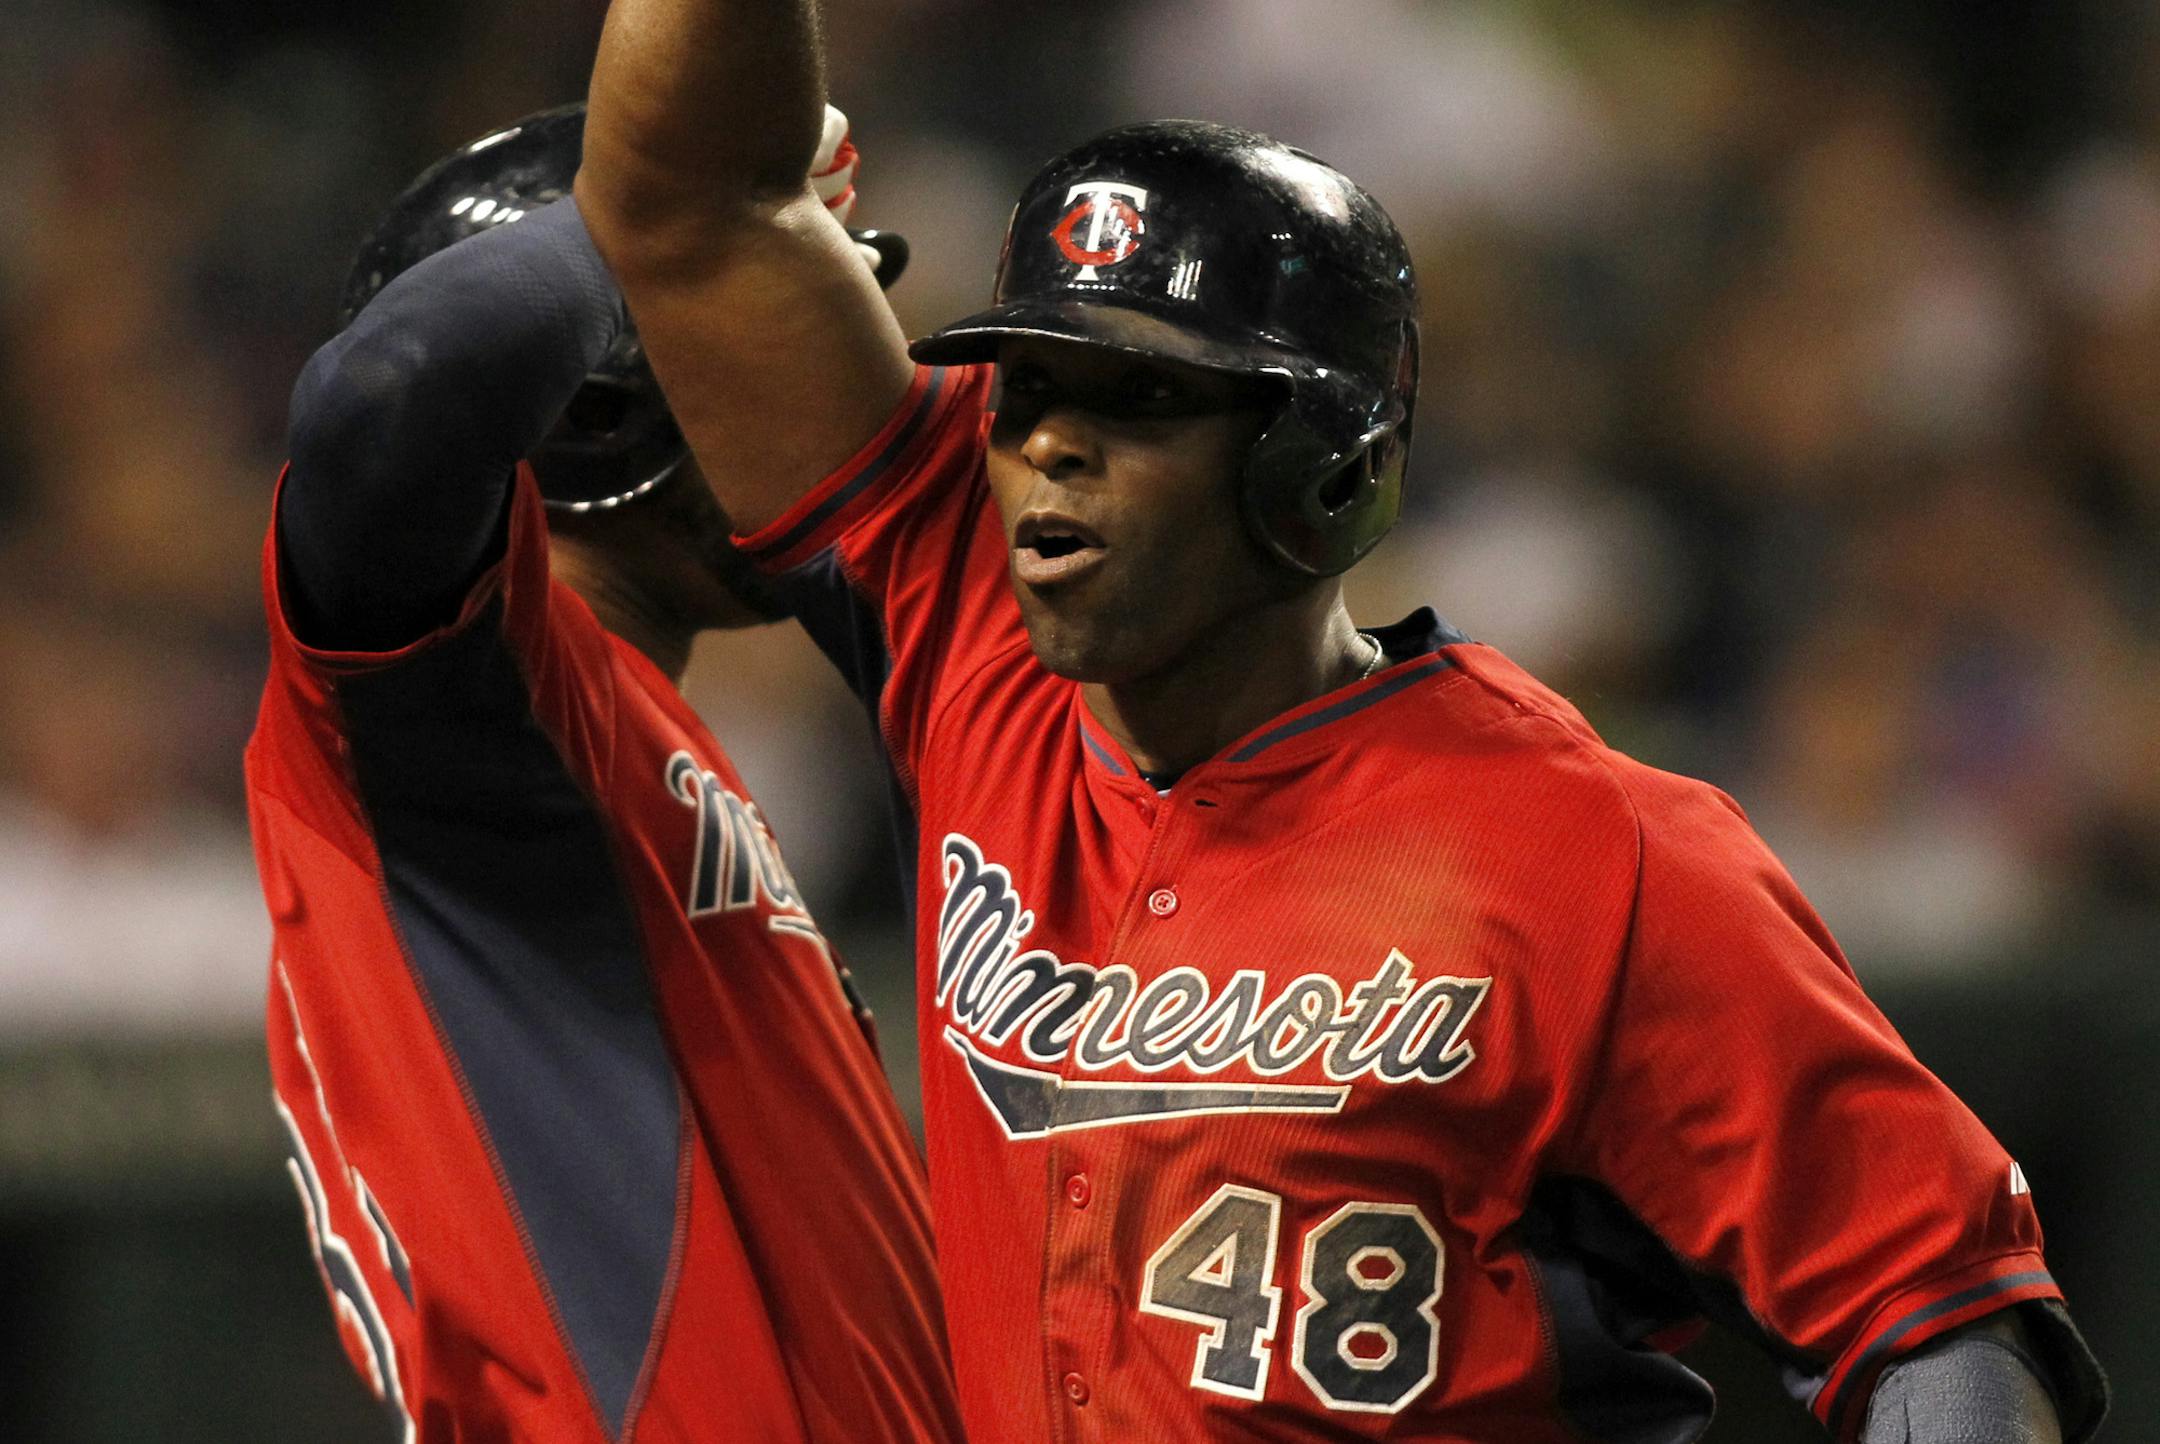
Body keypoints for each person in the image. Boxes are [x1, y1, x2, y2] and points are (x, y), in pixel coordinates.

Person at [572, 8, 2111, 1441]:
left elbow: (1940, 1314)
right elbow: (695, 211)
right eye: (1027, 386)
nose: (1049, 445)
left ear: (1321, 463)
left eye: (1135, 400)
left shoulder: (1589, 846)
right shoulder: (979, 650)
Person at [245, 102, 963, 1443]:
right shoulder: (451, 710)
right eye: (767, 330)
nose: (834, 380)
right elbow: (394, 390)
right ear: (602, 407)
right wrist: (668, 212)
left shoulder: (623, 730)